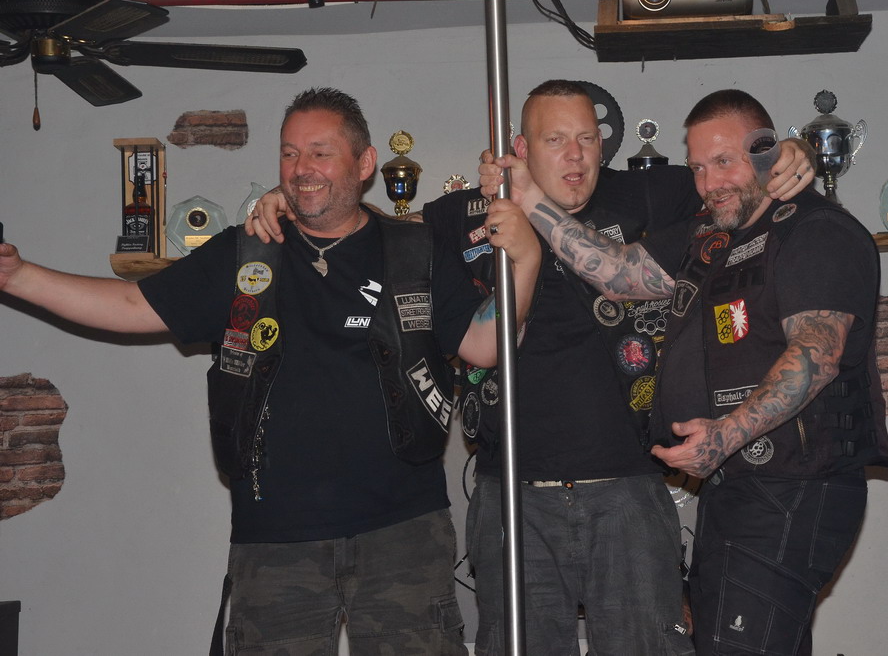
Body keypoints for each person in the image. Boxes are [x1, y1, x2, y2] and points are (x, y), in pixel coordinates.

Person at [248, 80, 815, 655]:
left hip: (629, 489)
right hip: (511, 494)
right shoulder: (465, 213)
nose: (576, 156)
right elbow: (366, 230)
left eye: (587, 139)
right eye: (555, 140)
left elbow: (736, 185)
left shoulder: (649, 192)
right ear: (519, 149)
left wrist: (789, 155)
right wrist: (293, 196)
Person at [0, 87, 541, 656]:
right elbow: (133, 305)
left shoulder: (416, 249)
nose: (302, 168)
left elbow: (485, 344)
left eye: (320, 152)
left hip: (403, 530)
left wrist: (526, 259)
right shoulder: (243, 252)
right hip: (275, 539)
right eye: (289, 153)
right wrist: (19, 277)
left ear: (365, 163)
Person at [483, 88, 888, 656]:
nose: (709, 182)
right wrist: (529, 197)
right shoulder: (712, 234)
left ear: (769, 152)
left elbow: (815, 355)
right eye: (698, 167)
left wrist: (725, 434)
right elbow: (619, 274)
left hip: (797, 484)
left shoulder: (817, 229)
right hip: (737, 488)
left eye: (724, 162)